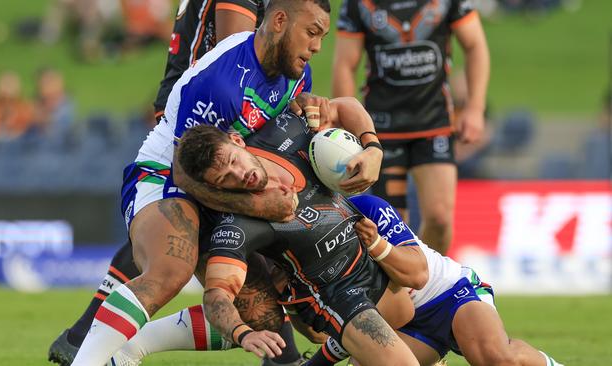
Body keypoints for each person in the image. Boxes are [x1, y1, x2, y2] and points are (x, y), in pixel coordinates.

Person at [69, 2, 382, 366]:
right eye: (312, 33)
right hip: (165, 175)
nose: (316, 47)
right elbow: (186, 172)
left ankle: (129, 349)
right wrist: (260, 207)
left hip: (228, 187)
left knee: (261, 313)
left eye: (322, 37)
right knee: (172, 268)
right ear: (279, 21)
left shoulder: (297, 76)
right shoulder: (222, 80)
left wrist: (351, 138)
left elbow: (277, 143)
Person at [48, 2, 272, 365]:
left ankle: (94, 338)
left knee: (252, 297)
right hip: (202, 116)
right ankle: (91, 343)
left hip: (199, 105)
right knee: (173, 261)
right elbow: (237, 53)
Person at [175, 118, 426, 365]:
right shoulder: (239, 225)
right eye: (224, 179)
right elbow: (216, 295)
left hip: (373, 265)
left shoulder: (286, 135)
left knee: (420, 305)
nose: (240, 175)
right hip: (337, 297)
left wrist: (373, 148)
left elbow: (345, 106)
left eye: (233, 161)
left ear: (237, 141)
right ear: (214, 189)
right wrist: (243, 332)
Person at [303, 195, 565, 366]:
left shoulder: (366, 208)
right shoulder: (299, 256)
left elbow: (417, 276)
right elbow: (333, 329)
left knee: (496, 359)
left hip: (450, 292)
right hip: (407, 324)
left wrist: (375, 243)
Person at [332, 0, 490, 255]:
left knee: (440, 218)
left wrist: (475, 107)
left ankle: (426, 285)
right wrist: (349, 124)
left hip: (434, 123)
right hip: (383, 130)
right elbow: (345, 64)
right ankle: (400, 291)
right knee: (393, 226)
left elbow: (475, 45)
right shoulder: (359, 5)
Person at [0, 71, 35, 144]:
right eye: (5, 85)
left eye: (11, 85)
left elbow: (27, 130)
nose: (8, 89)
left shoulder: (25, 108)